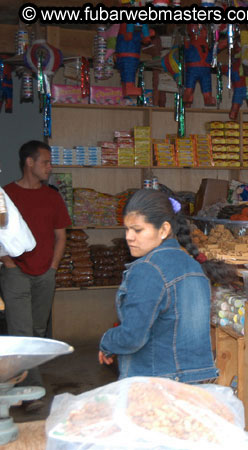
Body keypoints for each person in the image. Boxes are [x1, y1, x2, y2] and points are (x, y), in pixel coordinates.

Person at [99, 189, 219, 384]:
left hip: (155, 383)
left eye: (137, 230)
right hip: (192, 383)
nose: (129, 237)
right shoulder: (193, 265)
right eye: (127, 229)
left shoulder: (148, 269)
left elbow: (132, 337)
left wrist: (107, 342)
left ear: (163, 229)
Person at [0, 141, 70, 408]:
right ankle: (33, 392)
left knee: (37, 332)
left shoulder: (52, 197)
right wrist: (9, 263)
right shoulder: (5, 195)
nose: (49, 168)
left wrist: (53, 267)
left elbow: (60, 236)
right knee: (22, 332)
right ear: (29, 163)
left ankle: (16, 382)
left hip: (45, 274)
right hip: (15, 273)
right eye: (45, 162)